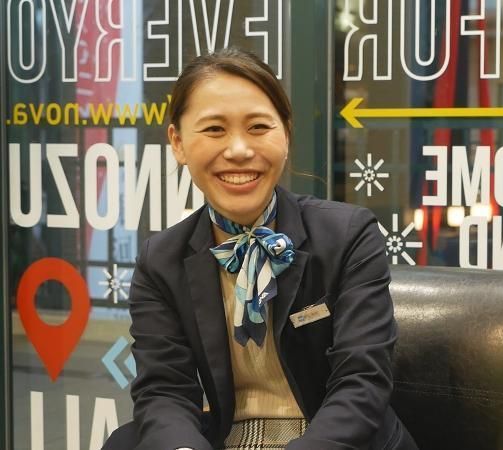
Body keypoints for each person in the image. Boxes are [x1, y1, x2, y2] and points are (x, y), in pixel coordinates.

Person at [103, 48, 418, 450]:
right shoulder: (161, 261)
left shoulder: (348, 235)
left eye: (258, 127)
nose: (238, 150)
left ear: (285, 135)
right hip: (226, 433)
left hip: (333, 436)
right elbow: (164, 390)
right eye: (214, 129)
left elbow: (362, 381)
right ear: (178, 143)